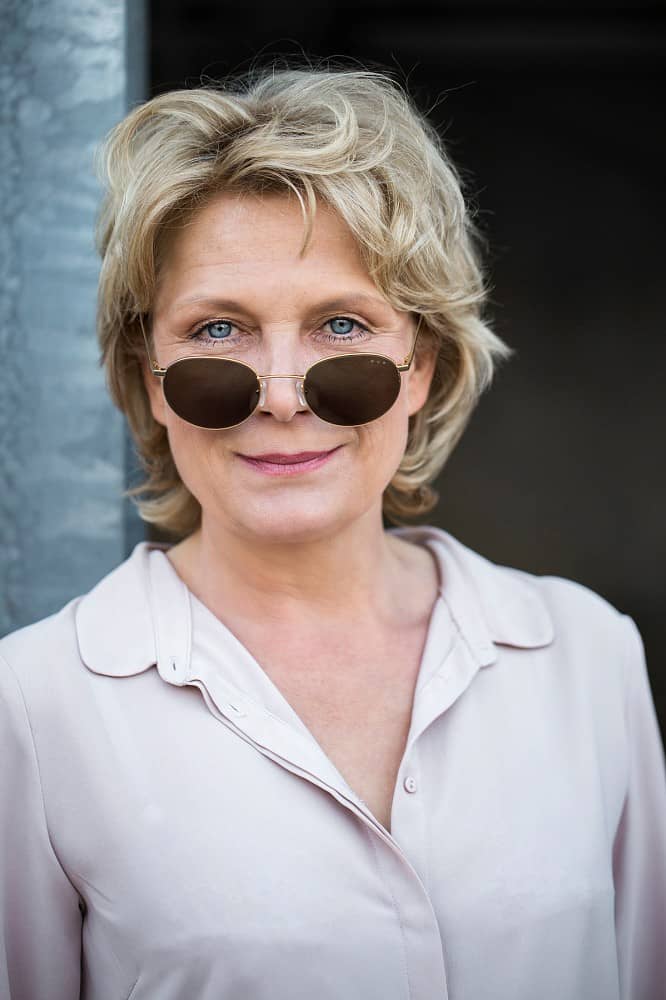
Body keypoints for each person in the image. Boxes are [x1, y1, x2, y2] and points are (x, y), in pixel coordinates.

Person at [1, 65, 664, 1000]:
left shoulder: (587, 656)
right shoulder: (33, 705)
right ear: (152, 376)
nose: (280, 398)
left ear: (421, 363)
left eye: (342, 324)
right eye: (219, 331)